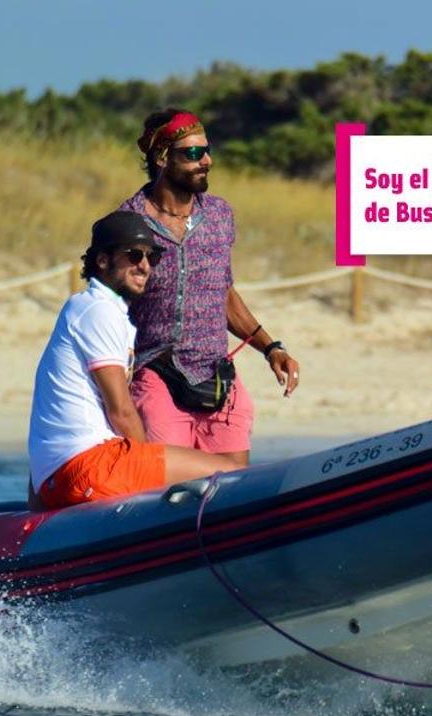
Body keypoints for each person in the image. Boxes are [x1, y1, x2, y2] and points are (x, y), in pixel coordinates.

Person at [119, 108, 300, 467]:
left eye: (207, 150)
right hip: (158, 381)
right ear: (161, 158)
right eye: (193, 153)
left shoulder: (219, 214)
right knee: (164, 499)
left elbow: (224, 293)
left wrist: (271, 348)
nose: (206, 160)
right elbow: (112, 304)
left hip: (219, 383)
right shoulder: (127, 223)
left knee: (232, 499)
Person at [27, 211, 238, 510]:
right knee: (230, 474)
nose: (145, 266)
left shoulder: (83, 309)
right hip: (91, 466)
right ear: (102, 260)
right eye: (134, 255)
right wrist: (144, 468)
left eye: (152, 257)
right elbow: (122, 411)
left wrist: (37, 507)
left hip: (53, 479)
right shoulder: (99, 311)